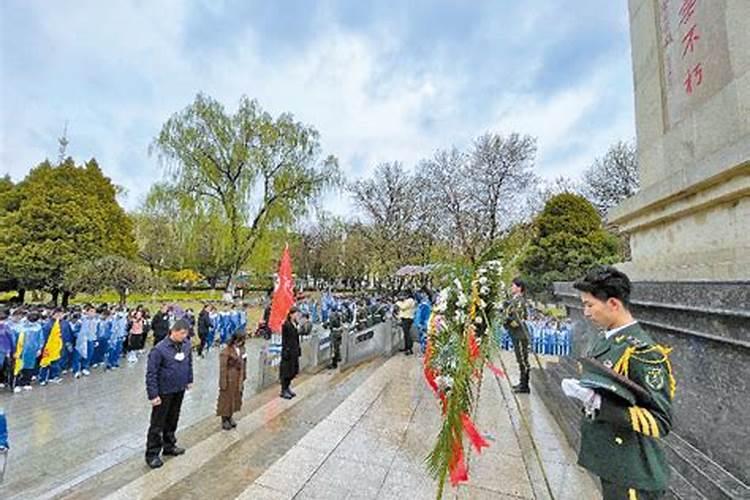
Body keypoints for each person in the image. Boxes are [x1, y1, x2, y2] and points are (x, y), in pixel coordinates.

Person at [563, 266, 675, 499]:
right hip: (612, 460)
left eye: (589, 305)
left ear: (613, 304)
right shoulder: (608, 339)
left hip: (633, 470)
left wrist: (598, 403)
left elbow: (660, 421)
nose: (585, 312)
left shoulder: (642, 351)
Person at [145, 319, 193, 469]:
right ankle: (152, 453)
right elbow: (151, 373)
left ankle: (169, 445)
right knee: (157, 423)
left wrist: (189, 379)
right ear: (173, 331)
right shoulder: (159, 349)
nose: (184, 336)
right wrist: (153, 394)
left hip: (178, 389)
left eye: (186, 333)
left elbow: (189, 363)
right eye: (182, 333)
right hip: (163, 391)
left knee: (173, 419)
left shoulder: (186, 345)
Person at [504, 277, 531, 394]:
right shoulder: (514, 300)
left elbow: (517, 320)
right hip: (516, 334)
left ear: (519, 288)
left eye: (513, 286)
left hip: (520, 334)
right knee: (520, 359)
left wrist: (506, 320)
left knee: (523, 360)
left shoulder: (519, 301)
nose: (511, 288)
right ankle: (522, 382)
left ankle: (525, 385)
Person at [216, 332, 247, 430]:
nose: (240, 343)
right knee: (226, 399)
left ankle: (230, 416)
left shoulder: (242, 350)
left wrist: (244, 376)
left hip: (238, 378)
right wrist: (223, 382)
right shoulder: (226, 351)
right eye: (239, 341)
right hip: (229, 378)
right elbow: (223, 368)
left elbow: (245, 363)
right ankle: (224, 419)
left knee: (235, 397)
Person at [39, 308, 69, 385]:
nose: (59, 316)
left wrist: (68, 343)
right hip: (50, 347)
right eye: (57, 314)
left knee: (58, 361)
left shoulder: (65, 323)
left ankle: (55, 375)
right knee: (48, 362)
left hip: (61, 345)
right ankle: (46, 377)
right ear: (53, 314)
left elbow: (68, 334)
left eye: (61, 314)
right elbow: (45, 337)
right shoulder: (48, 324)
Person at [279, 307, 301, 400]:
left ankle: (288, 388)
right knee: (286, 371)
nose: (297, 316)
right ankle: (283, 390)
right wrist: (286, 350)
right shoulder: (286, 324)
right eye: (296, 314)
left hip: (294, 350)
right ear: (291, 314)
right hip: (288, 351)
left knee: (293, 370)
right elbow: (285, 339)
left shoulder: (295, 324)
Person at [327, 305, 344, 370]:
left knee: (334, 348)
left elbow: (331, 325)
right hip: (339, 332)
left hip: (334, 333)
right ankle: (339, 358)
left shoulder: (331, 316)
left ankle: (334, 363)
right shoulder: (339, 315)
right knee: (338, 346)